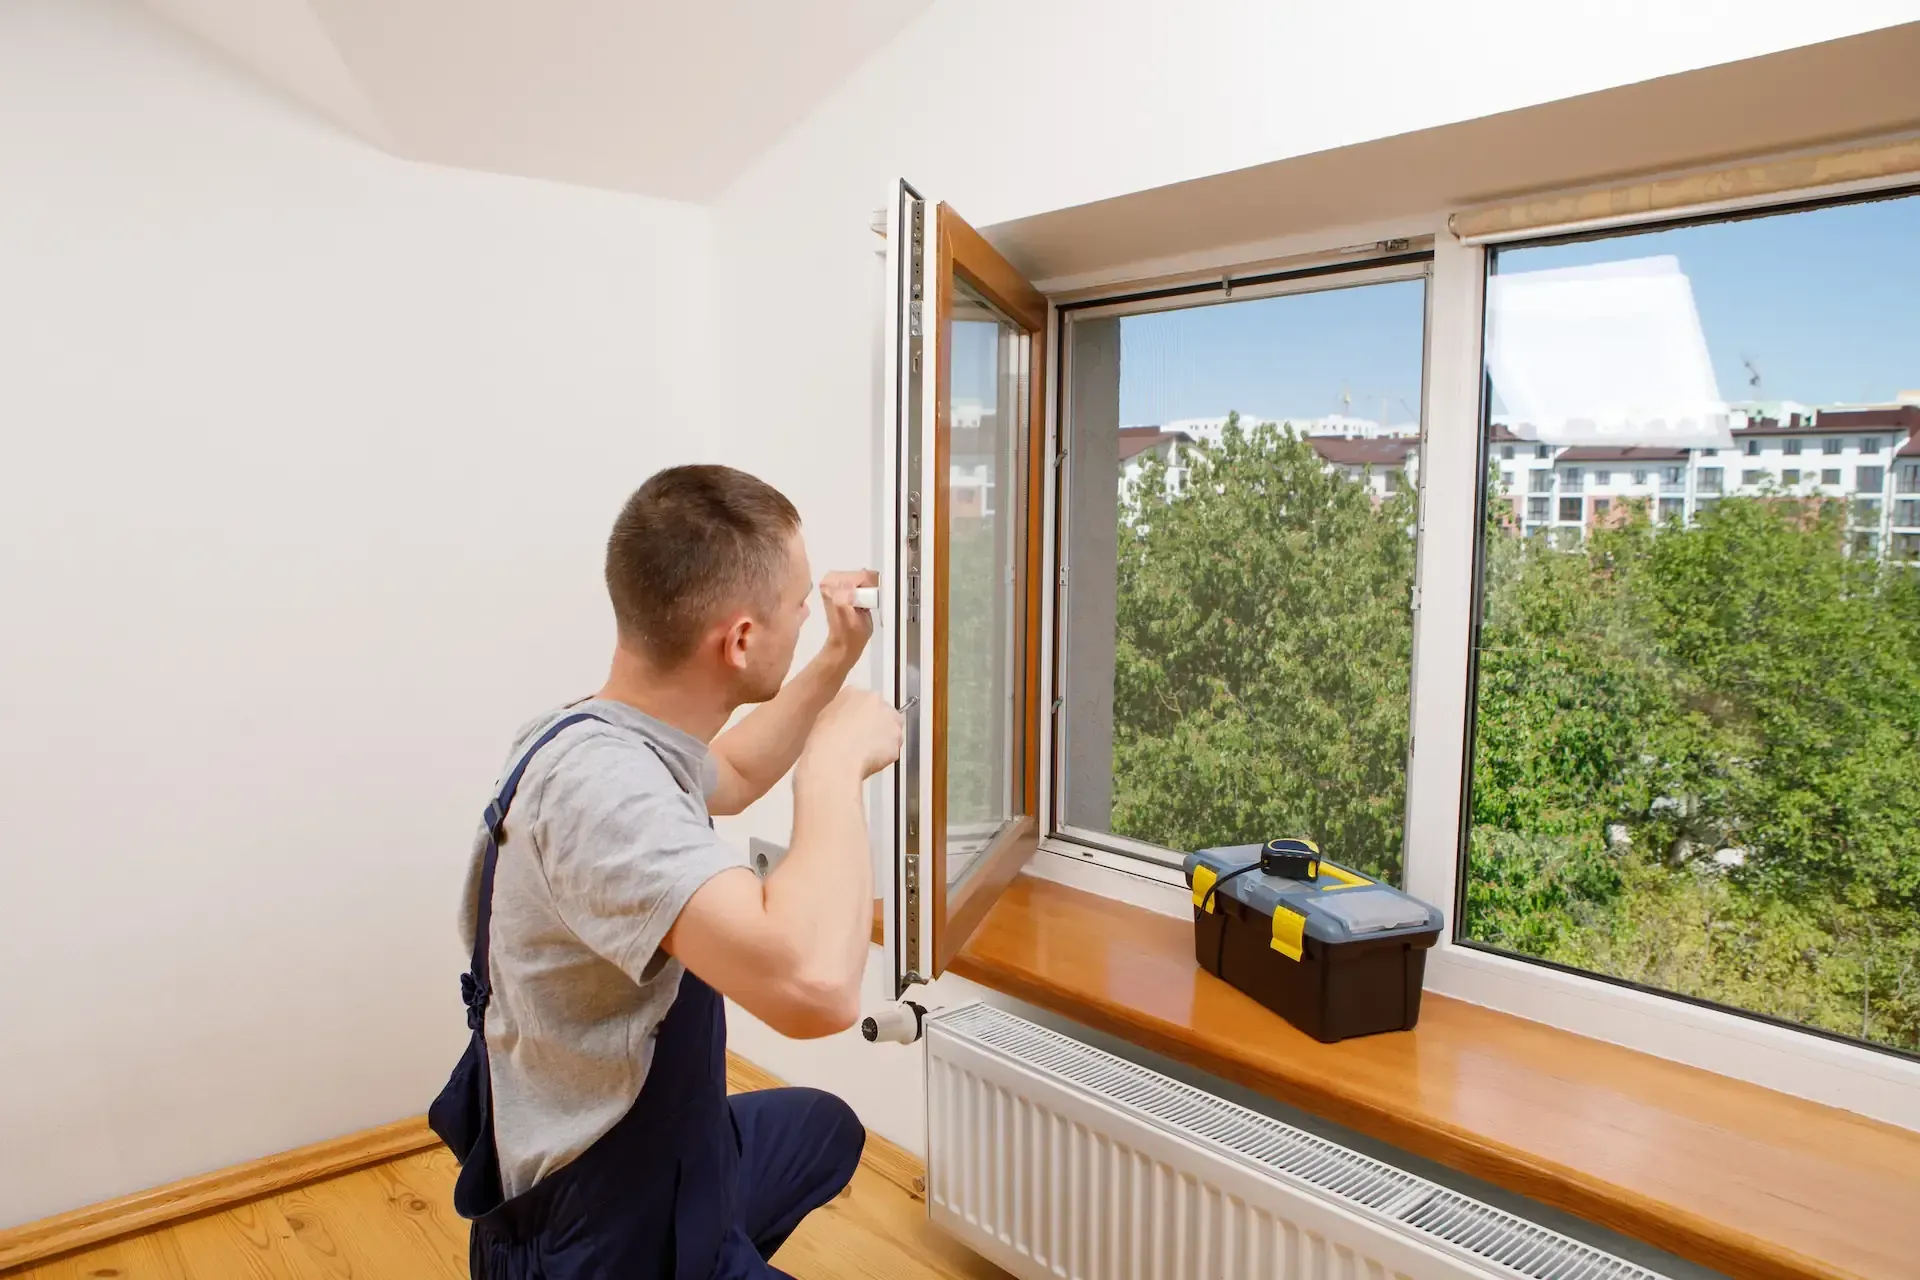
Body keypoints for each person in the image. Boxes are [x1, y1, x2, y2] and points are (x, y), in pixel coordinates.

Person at [429, 464, 903, 1279]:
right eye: (798, 607)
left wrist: (831, 661)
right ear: (743, 641)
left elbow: (735, 772)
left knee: (827, 1129)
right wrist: (831, 766)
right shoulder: (603, 793)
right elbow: (815, 988)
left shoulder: (602, 735)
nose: (807, 614)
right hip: (598, 1228)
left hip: (671, 1160)